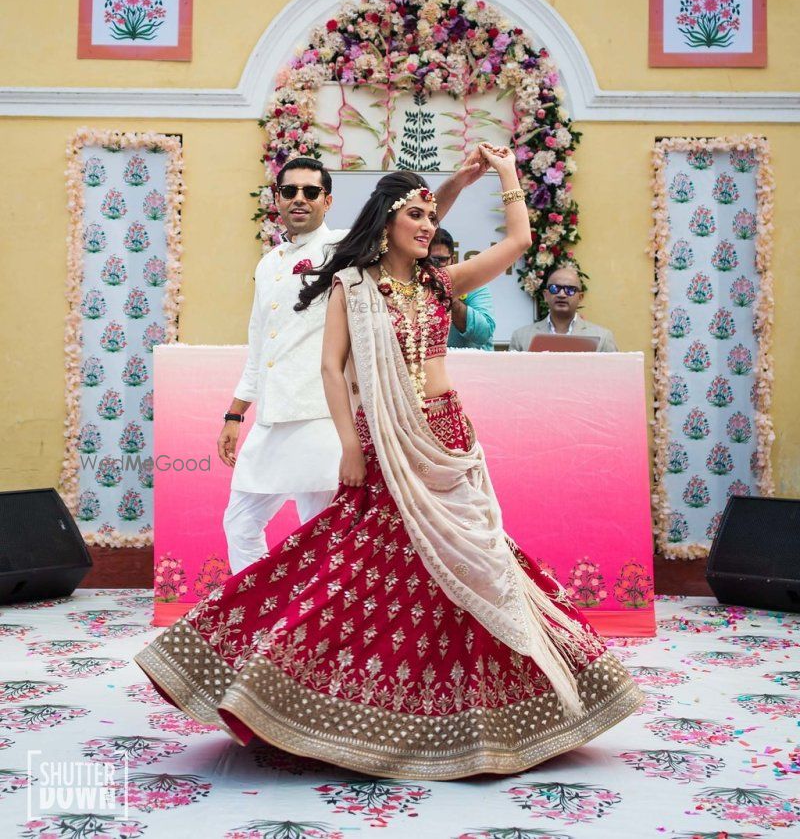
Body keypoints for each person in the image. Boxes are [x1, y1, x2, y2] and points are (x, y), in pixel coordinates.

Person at [135, 148, 643, 780]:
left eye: (433, 216)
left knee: (477, 561)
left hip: (445, 436)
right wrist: (348, 445)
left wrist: (503, 172)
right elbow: (330, 366)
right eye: (416, 215)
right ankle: (306, 695)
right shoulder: (354, 282)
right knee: (363, 567)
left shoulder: (440, 284)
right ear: (388, 223)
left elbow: (517, 240)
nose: (428, 225)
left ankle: (496, 709)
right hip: (383, 441)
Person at [219, 155, 485, 573]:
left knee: (323, 533)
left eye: (310, 191)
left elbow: (413, 221)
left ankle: (313, 626)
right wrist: (236, 411)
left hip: (322, 415)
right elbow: (259, 344)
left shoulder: (341, 249)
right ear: (278, 199)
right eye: (290, 191)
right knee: (239, 522)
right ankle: (261, 620)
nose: (299, 199)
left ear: (327, 200)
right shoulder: (268, 262)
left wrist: (458, 182)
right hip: (272, 418)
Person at [509, 262, 618, 352]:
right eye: (555, 288)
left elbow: (614, 375)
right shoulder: (521, 337)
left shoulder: (602, 337)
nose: (561, 294)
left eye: (570, 290)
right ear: (545, 295)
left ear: (580, 297)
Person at [429, 227, 496, 350]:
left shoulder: (473, 283)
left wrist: (449, 297)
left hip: (474, 365)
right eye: (428, 260)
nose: (434, 266)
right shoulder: (412, 286)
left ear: (452, 260)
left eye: (441, 260)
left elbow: (484, 334)